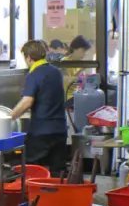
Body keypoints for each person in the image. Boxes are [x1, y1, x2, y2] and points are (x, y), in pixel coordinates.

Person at [11, 40, 68, 175]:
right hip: (60, 130)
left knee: (32, 170)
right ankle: (57, 195)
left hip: (42, 132)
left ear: (28, 58)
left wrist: (8, 117)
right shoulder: (56, 72)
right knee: (58, 171)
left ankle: (34, 196)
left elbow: (27, 101)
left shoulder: (35, 74)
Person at [63, 35, 94, 100]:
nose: (85, 54)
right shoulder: (64, 62)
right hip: (67, 97)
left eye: (86, 51)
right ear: (75, 49)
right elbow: (67, 82)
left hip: (79, 95)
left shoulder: (80, 63)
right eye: (83, 50)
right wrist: (80, 71)